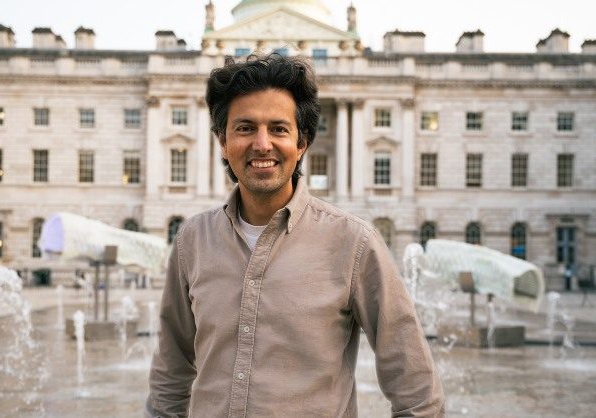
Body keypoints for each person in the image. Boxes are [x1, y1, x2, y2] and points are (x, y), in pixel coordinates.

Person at [146, 55, 444, 417]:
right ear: (222, 141)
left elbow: (415, 390)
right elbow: (170, 373)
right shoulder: (192, 240)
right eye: (245, 128)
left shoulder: (354, 243)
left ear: (301, 143)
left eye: (278, 129)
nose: (262, 144)